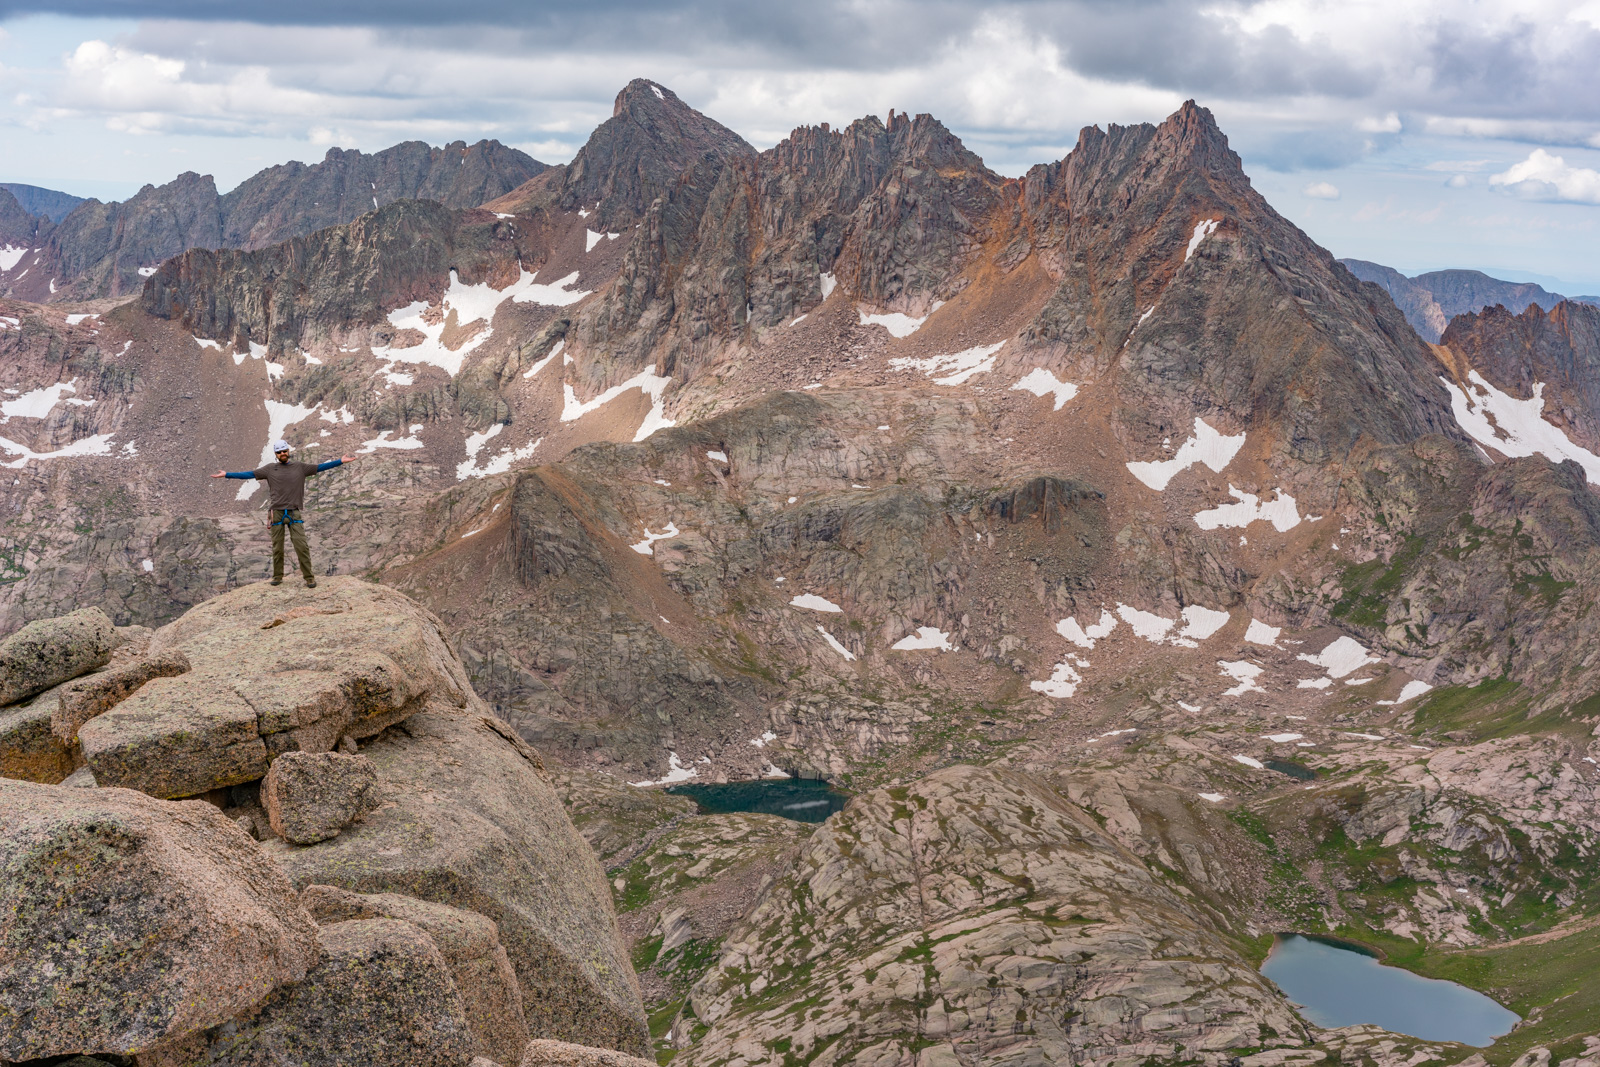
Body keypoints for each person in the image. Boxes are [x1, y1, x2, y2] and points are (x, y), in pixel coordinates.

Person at [212, 440, 356, 587]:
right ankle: (277, 577)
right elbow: (249, 474)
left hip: (294, 512)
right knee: (277, 548)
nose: (282, 454)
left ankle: (309, 577)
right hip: (276, 513)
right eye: (279, 452)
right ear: (276, 454)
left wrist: (340, 461)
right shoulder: (269, 469)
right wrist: (227, 474)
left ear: (288, 451)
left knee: (301, 546)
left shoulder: (300, 467)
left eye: (284, 451)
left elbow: (320, 467)